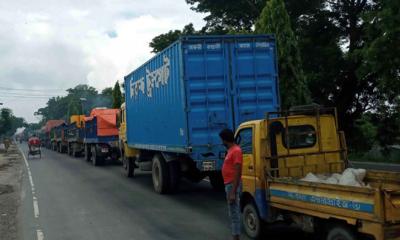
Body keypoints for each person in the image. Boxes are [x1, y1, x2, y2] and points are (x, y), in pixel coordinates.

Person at [219, 128, 243, 240]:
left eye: (222, 140)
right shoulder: (230, 150)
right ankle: (235, 236)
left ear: (225, 139)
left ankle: (236, 237)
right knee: (232, 212)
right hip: (229, 184)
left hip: (232, 185)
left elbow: (238, 171)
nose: (221, 142)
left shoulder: (236, 151)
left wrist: (233, 191)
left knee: (234, 214)